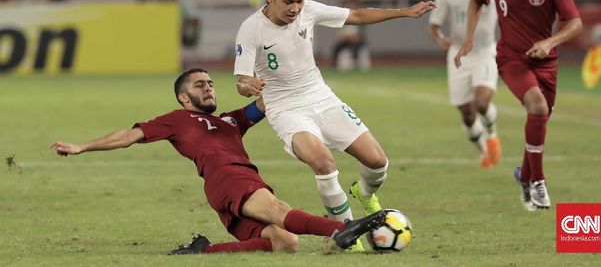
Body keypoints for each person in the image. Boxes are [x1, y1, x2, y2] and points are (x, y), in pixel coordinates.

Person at [50, 68, 387, 254]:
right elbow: (128, 135)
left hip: (225, 187)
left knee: (285, 242)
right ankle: (341, 229)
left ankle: (203, 251)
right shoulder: (176, 120)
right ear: (185, 97)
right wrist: (83, 147)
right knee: (277, 211)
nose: (209, 87)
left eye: (211, 83)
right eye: (200, 85)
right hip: (227, 177)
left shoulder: (230, 120)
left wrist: (272, 75)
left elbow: (270, 101)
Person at [233, 0, 435, 251]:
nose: (295, 8)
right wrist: (246, 85)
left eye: (300, 1)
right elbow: (241, 79)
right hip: (286, 109)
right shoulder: (251, 29)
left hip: (321, 97)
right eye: (288, 1)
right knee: (323, 162)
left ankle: (364, 194)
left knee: (377, 162)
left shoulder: (309, 11)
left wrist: (404, 12)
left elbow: (357, 16)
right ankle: (347, 235)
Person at [454, 0, 582, 211]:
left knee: (540, 119)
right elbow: (476, 2)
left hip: (546, 63)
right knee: (536, 107)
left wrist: (550, 42)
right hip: (511, 59)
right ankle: (538, 181)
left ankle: (524, 176)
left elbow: (575, 24)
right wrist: (469, 39)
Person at [428, 0, 501, 168]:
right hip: (458, 57)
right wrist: (440, 39)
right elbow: (434, 25)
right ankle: (484, 154)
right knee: (468, 116)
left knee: (481, 102)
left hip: (485, 53)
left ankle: (491, 133)